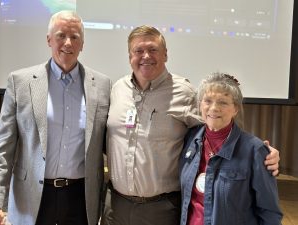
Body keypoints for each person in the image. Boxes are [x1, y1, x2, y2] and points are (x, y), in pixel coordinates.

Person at [101, 25, 280, 225]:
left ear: (166, 54)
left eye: (153, 50)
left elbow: (217, 126)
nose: (146, 56)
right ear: (129, 56)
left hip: (159, 208)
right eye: (138, 51)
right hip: (115, 204)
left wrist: (261, 152)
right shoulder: (117, 89)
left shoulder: (185, 93)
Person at [0, 10, 111, 225]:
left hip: (80, 197)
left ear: (82, 44)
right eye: (61, 35)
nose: (67, 43)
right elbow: (3, 147)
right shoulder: (20, 82)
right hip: (32, 196)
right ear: (49, 39)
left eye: (75, 37)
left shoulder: (102, 85)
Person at [180, 73, 283, 225]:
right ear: (200, 104)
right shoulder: (189, 139)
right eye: (208, 101)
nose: (214, 108)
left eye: (223, 102)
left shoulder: (255, 150)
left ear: (235, 109)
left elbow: (270, 212)